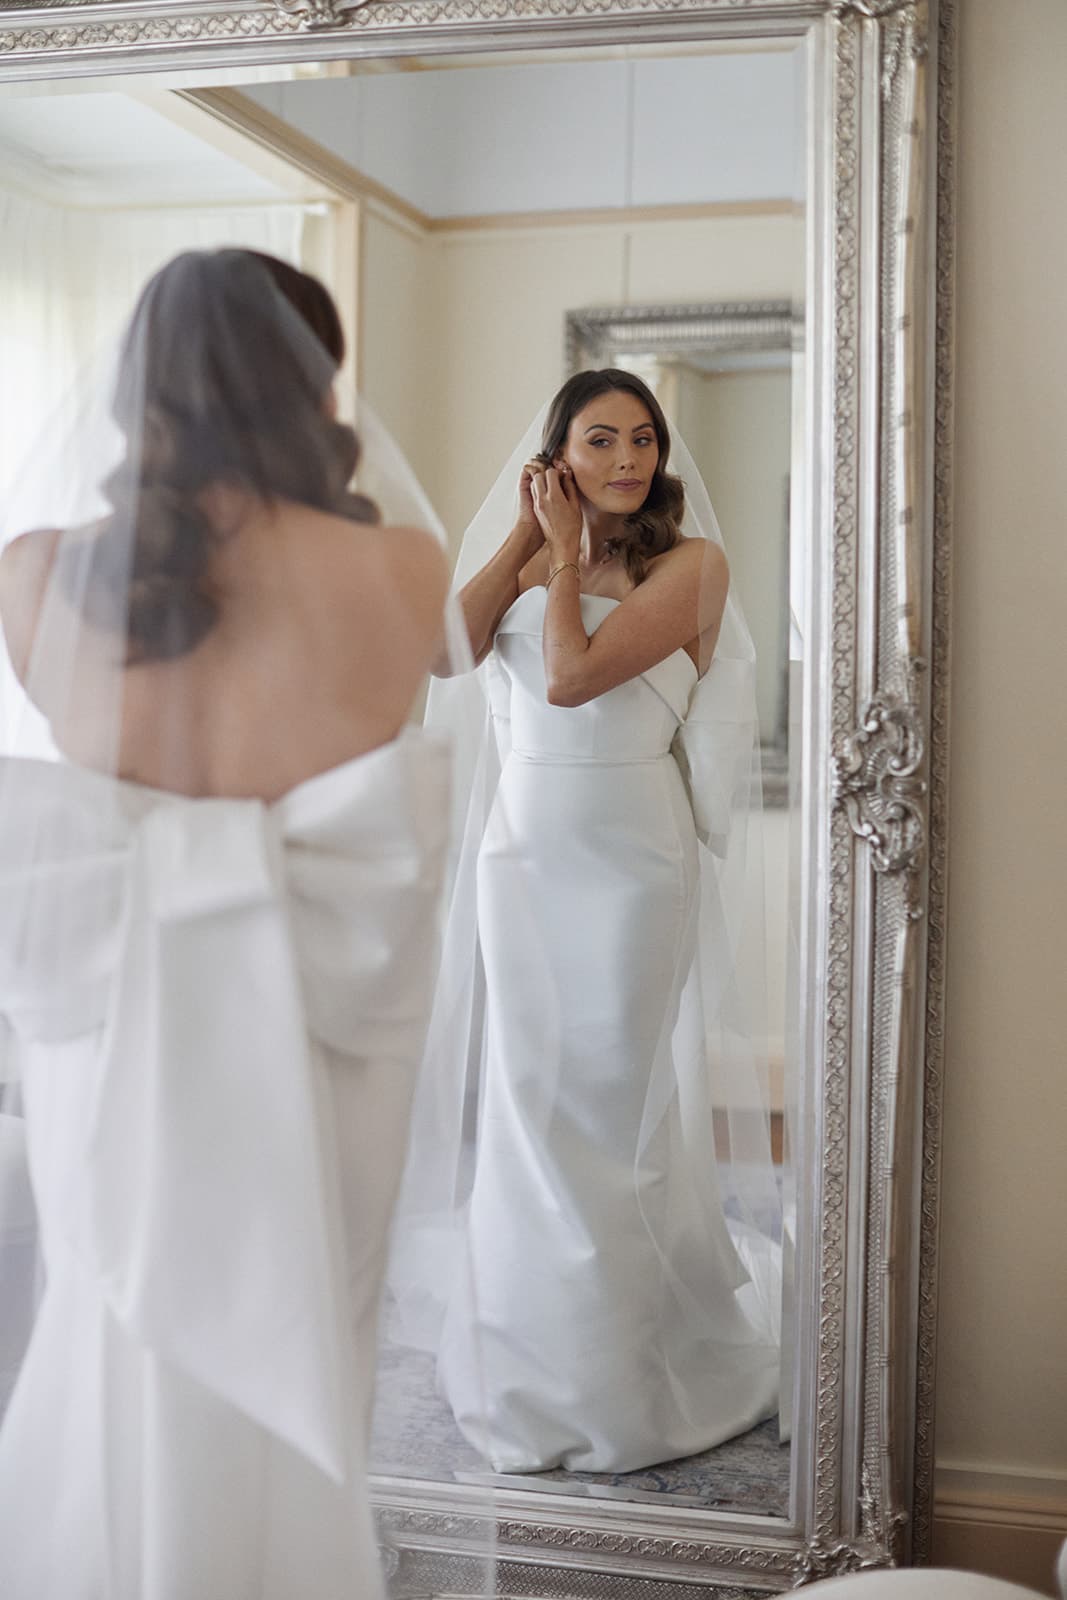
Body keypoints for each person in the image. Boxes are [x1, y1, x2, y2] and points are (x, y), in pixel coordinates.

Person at [0, 249, 456, 1598]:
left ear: (134, 381)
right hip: (320, 1028)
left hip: (111, 1025)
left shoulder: (33, 570)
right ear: (317, 384)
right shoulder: (403, 568)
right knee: (309, 1327)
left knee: (109, 1325)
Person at [391, 368, 783, 1478]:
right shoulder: (531, 549)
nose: (625, 460)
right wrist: (522, 538)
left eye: (643, 440)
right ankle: (527, 1362)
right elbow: (445, 655)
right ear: (557, 452)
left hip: (627, 863)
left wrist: (562, 561)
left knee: (608, 1109)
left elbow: (568, 676)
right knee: (522, 1106)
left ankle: (620, 1377)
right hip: (521, 858)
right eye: (600, 439)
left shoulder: (690, 568)